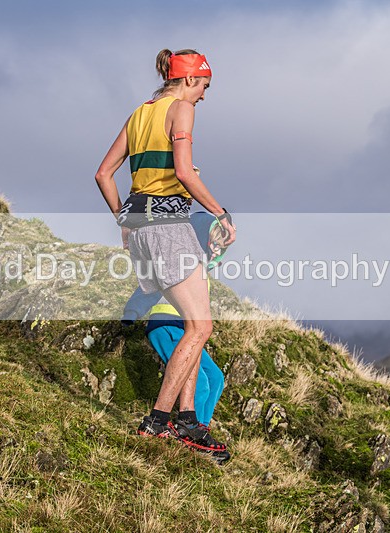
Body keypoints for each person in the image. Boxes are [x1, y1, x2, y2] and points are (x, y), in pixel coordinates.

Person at [95, 49, 235, 453]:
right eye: (205, 86)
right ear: (191, 80)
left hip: (140, 228)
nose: (204, 96)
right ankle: (158, 421)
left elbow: (103, 173)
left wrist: (123, 221)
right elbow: (185, 172)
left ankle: (187, 420)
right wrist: (220, 213)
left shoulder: (140, 112)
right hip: (169, 227)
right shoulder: (181, 109)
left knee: (194, 324)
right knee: (201, 327)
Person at [122, 211, 228, 462]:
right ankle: (188, 434)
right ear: (201, 237)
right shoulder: (179, 262)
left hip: (189, 330)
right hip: (166, 324)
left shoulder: (200, 269)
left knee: (215, 378)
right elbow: (154, 283)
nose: (216, 250)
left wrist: (212, 256)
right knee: (200, 382)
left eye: (220, 247)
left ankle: (199, 429)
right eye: (213, 243)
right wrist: (133, 310)